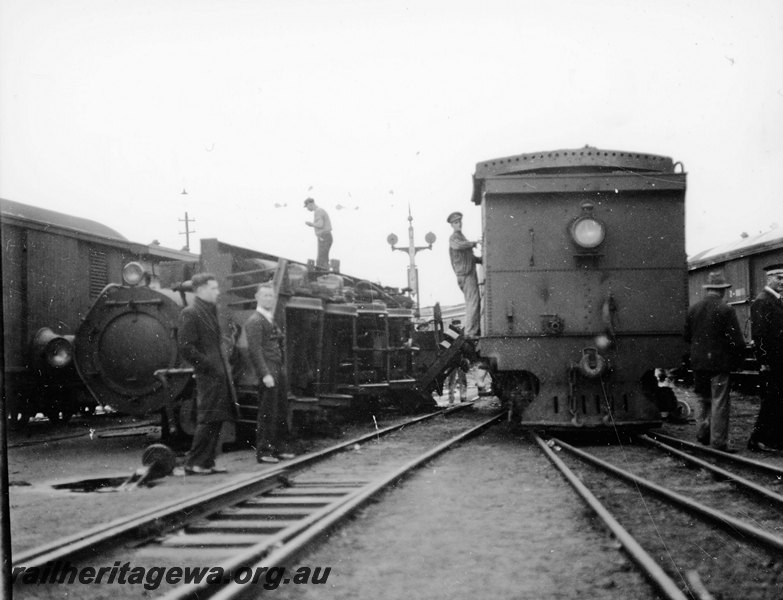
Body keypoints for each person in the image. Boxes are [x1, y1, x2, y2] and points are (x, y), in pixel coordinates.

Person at [176, 273, 238, 474]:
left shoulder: (211, 311)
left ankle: (206, 462)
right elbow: (186, 347)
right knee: (208, 418)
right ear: (201, 290)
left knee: (217, 417)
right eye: (213, 288)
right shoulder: (191, 312)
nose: (217, 292)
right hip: (209, 375)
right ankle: (195, 462)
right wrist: (208, 364)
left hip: (219, 374)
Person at [683, 271, 745, 452]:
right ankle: (718, 441)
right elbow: (737, 341)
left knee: (702, 398)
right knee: (719, 401)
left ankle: (702, 434)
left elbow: (686, 336)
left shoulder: (693, 309)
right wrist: (737, 360)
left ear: (708, 289)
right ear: (723, 290)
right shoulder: (726, 309)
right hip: (719, 364)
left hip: (698, 364)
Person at [244, 282, 295, 464]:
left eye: (271, 296)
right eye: (265, 295)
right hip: (268, 369)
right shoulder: (255, 321)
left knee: (280, 409)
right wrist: (265, 374)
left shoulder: (268, 319)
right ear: (257, 297)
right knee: (267, 412)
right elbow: (255, 350)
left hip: (277, 367)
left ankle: (279, 448)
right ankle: (264, 451)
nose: (268, 299)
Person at [747, 263, 783, 452]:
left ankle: (773, 439)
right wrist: (764, 362)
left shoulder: (775, 300)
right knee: (771, 401)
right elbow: (760, 335)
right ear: (769, 279)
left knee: (776, 400)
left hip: (778, 361)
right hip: (772, 362)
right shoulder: (763, 301)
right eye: (779, 278)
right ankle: (759, 439)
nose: (782, 282)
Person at [447, 211, 481, 338]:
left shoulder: (461, 236)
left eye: (459, 221)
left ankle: (471, 330)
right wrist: (473, 243)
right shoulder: (454, 238)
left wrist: (480, 259)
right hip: (465, 275)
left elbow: (469, 257)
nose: (459, 224)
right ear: (452, 225)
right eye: (456, 222)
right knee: (473, 302)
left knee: (472, 302)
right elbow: (459, 246)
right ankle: (470, 332)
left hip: (468, 273)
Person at [304, 197, 333, 270]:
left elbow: (320, 224)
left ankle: (322, 274)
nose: (307, 209)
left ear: (310, 204)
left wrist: (311, 224)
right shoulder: (320, 210)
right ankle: (325, 272)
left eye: (307, 206)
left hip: (324, 237)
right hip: (326, 237)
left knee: (321, 260)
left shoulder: (318, 211)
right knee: (324, 258)